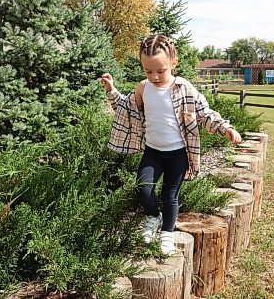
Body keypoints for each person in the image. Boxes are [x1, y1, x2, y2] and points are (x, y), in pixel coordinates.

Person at [101, 34, 241, 255]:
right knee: (144, 188)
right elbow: (125, 108)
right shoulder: (142, 88)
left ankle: (167, 232)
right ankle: (153, 217)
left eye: (160, 70)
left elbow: (205, 114)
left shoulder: (184, 88)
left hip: (177, 154)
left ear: (173, 63)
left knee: (170, 195)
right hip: (152, 152)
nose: (154, 76)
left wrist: (226, 128)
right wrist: (111, 90)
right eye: (148, 71)